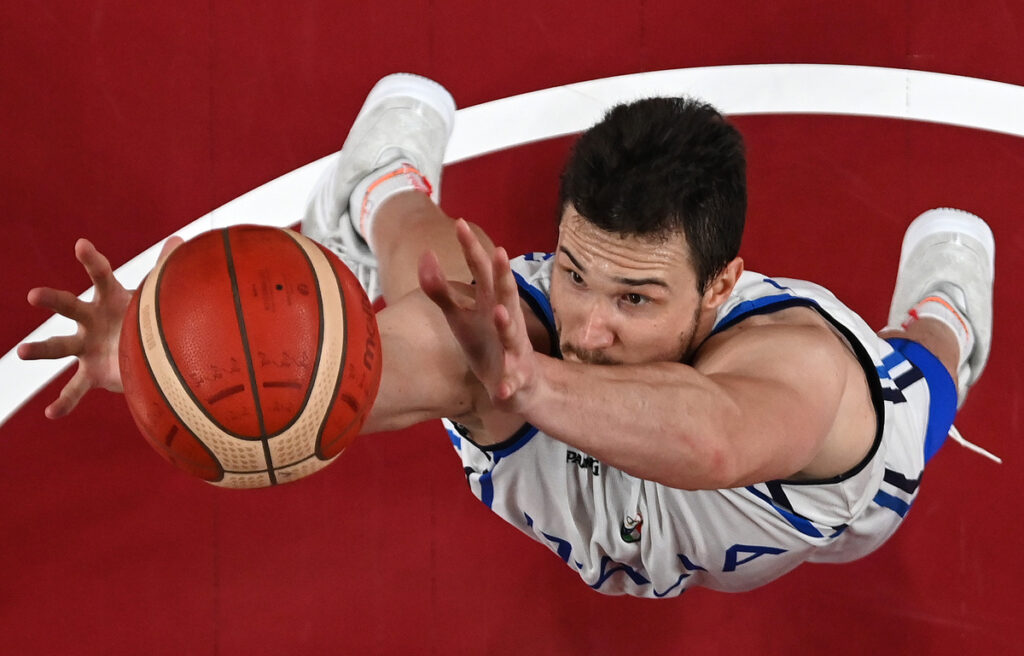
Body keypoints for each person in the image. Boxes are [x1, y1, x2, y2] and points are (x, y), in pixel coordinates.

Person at [19, 74, 996, 598]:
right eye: (575, 270)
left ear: (719, 287)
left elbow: (715, 437)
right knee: (434, 284)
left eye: (636, 299)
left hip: (794, 496)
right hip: (546, 445)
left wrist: (528, 384)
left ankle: (947, 309)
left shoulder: (802, 365)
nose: (590, 324)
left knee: (919, 377)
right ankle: (384, 189)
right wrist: (157, 357)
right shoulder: (514, 336)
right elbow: (328, 383)